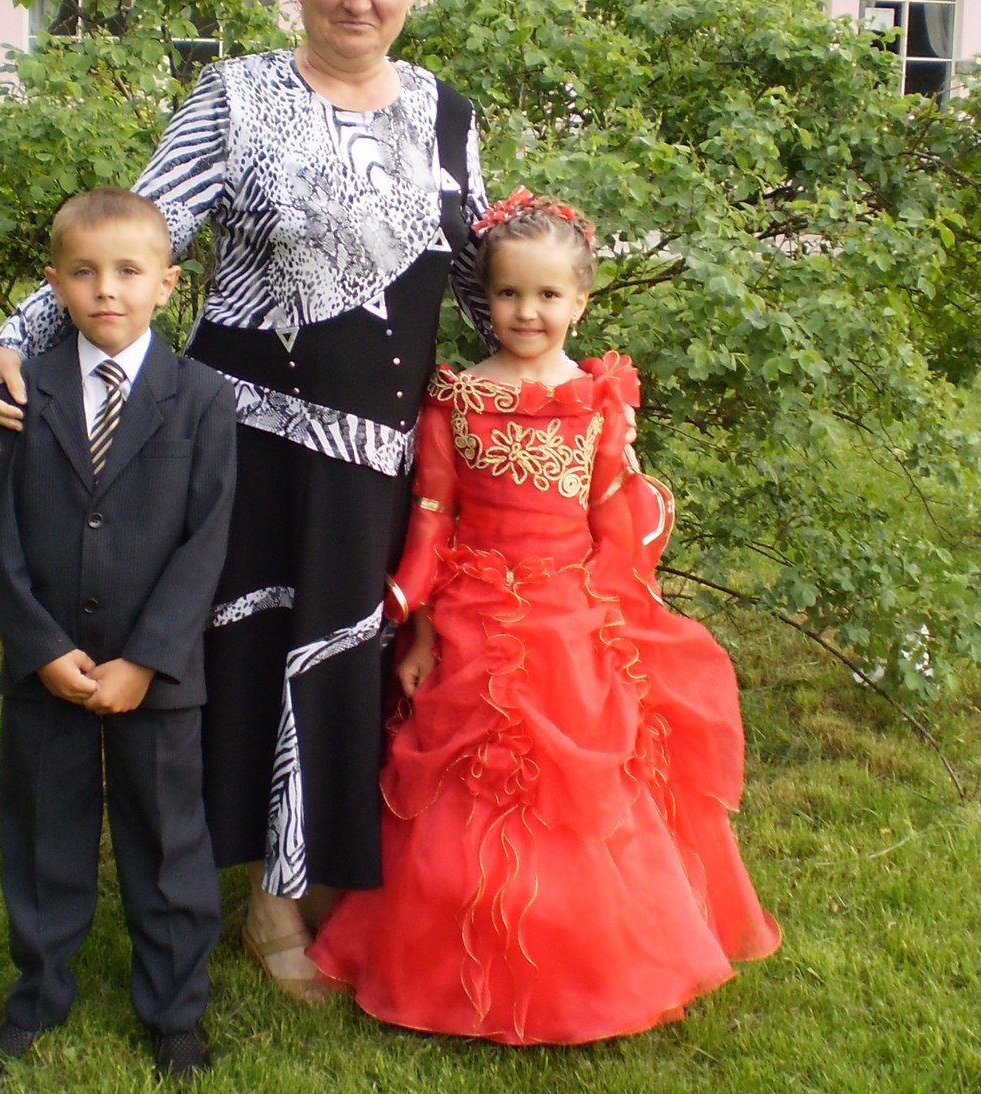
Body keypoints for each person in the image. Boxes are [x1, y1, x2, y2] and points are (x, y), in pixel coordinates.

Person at [0, 0, 488, 999]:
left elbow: (478, 272)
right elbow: (137, 232)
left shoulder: (445, 112)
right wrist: (15, 337)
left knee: (344, 655)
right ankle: (260, 897)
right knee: (247, 655)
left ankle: (317, 874)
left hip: (377, 450)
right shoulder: (238, 96)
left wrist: (558, 386)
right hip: (245, 433)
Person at [309, 189, 780, 1043]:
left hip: (573, 616)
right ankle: (442, 962)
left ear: (581, 302)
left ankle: (589, 964)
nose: (528, 312)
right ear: (485, 299)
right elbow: (432, 519)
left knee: (586, 792)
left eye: (548, 295)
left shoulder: (599, 403)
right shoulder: (456, 399)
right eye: (509, 293)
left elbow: (612, 519)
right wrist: (417, 627)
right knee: (457, 785)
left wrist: (621, 612)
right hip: (473, 614)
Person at [0, 187, 237, 1083]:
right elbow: (1, 538)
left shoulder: (202, 399)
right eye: (83, 273)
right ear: (55, 285)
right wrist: (40, 649)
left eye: (128, 271)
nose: (106, 290)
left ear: (169, 283)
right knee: (45, 834)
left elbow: (207, 542)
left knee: (168, 844)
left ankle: (175, 1014)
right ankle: (36, 997)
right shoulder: (27, 391)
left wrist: (148, 659)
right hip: (46, 670)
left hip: (156, 674)